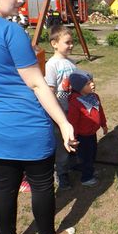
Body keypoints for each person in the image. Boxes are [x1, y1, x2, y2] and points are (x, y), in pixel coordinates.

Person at [0, 0, 76, 234]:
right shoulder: (11, 31)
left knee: (3, 186)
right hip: (28, 126)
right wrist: (63, 122)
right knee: (41, 185)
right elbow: (37, 83)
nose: (21, 0)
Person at [44, 24, 77, 190]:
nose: (71, 45)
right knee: (60, 145)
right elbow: (49, 91)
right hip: (60, 114)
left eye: (72, 42)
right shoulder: (51, 65)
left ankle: (72, 162)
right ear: (54, 43)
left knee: (72, 138)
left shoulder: (71, 63)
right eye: (67, 42)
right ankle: (61, 173)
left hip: (73, 111)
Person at [68, 70, 108, 187]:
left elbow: (100, 111)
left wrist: (103, 124)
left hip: (92, 133)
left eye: (92, 82)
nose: (92, 85)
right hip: (81, 136)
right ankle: (86, 178)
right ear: (79, 87)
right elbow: (72, 122)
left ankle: (88, 168)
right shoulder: (75, 102)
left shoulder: (95, 97)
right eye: (88, 84)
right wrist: (73, 138)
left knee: (92, 153)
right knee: (85, 157)